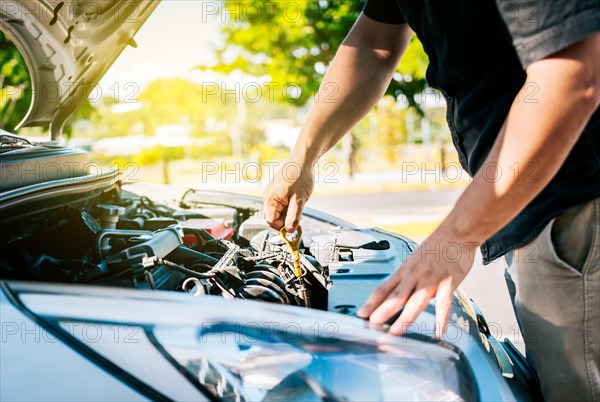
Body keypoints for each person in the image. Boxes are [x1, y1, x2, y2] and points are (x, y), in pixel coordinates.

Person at [263, 0, 600, 400]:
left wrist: (456, 237)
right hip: (530, 205)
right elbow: (375, 42)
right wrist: (301, 158)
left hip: (577, 199)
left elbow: (571, 74)